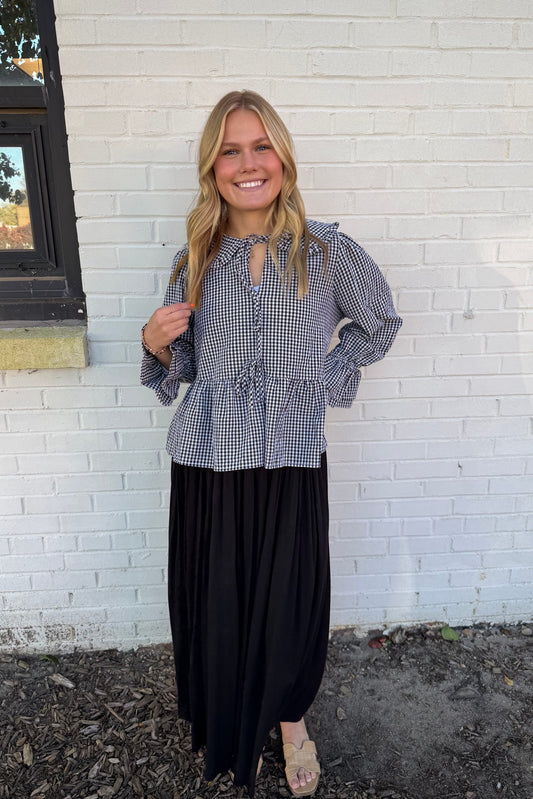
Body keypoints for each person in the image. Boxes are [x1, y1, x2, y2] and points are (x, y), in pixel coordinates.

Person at [140, 90, 402, 797]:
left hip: (289, 451)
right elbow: (182, 369)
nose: (247, 163)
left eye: (260, 147)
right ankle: (232, 718)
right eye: (230, 149)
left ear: (282, 158)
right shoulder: (194, 255)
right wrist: (155, 343)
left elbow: (378, 324)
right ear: (212, 167)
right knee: (221, 597)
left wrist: (324, 374)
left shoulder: (326, 250)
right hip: (210, 459)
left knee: (287, 598)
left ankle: (288, 721)